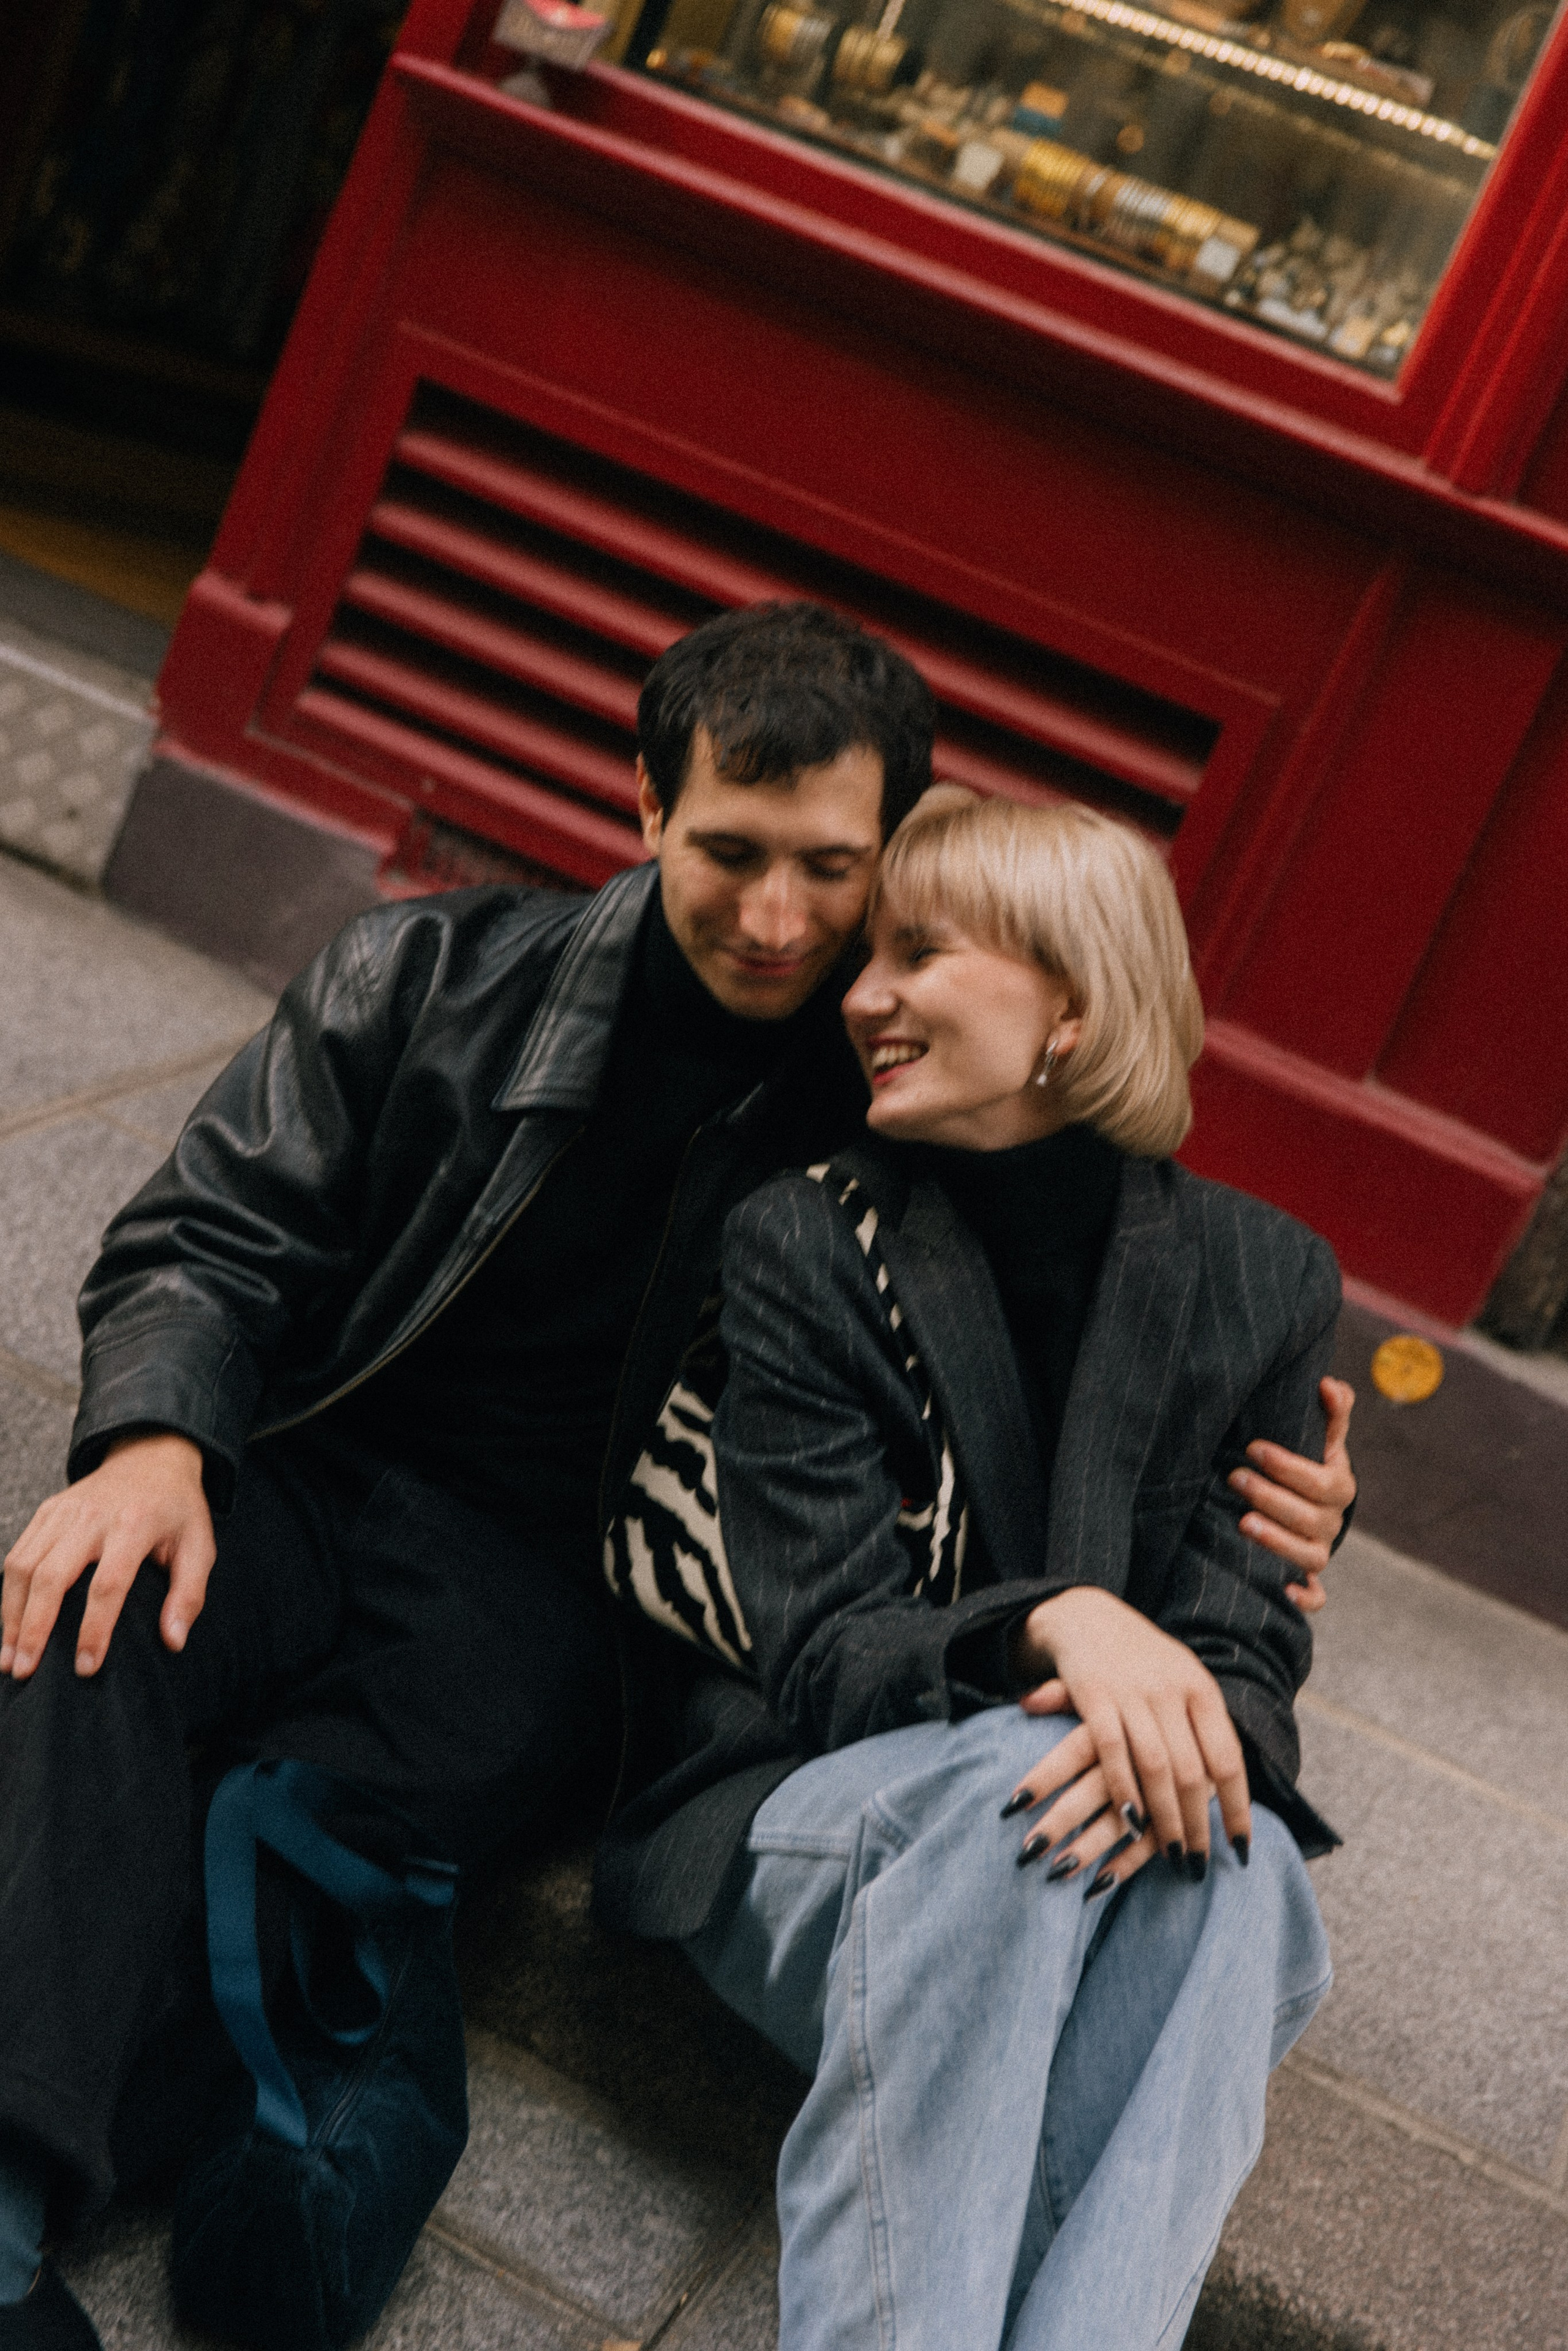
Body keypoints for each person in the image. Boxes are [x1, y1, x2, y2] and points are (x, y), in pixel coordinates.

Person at [0, 608, 1351, 2351]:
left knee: (318, 1825)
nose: (783, 924)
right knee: (78, 1621)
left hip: (550, 1598)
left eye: (831, 873)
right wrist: (154, 1435)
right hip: (313, 1459)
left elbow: (1092, 1194)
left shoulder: (890, 1084)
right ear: (646, 802)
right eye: (728, 852)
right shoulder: (427, 974)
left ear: (892, 858)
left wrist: (1264, 1515)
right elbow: (216, 1230)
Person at [595, 787, 1348, 2351]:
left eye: (918, 953)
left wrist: (1183, 1698)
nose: (860, 992)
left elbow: (1241, 1653)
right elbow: (823, 1646)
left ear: (1068, 1003)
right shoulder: (803, 1240)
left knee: (1250, 1867)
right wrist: (1058, 1623)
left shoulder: (1261, 1277)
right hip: (811, 1830)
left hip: (1061, 1853)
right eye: (871, 956)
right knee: (1032, 1798)